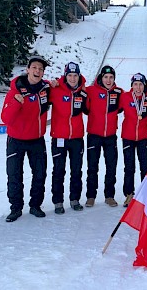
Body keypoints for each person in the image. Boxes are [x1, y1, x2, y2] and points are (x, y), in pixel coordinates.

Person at [1, 55, 51, 222]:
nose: (37, 71)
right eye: (34, 67)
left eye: (41, 69)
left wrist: (57, 82)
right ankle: (16, 208)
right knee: (14, 174)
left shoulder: (45, 89)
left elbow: (60, 87)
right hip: (16, 140)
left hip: (37, 139)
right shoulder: (15, 91)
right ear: (28, 69)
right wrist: (16, 103)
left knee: (40, 173)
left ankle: (35, 205)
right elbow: (5, 119)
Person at [49, 62, 88, 214]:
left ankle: (75, 199)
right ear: (65, 76)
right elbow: (40, 86)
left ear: (79, 76)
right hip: (59, 137)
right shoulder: (56, 89)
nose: (73, 78)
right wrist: (50, 82)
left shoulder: (83, 92)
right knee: (58, 170)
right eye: (70, 75)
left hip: (77, 138)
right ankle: (58, 201)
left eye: (75, 75)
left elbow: (90, 108)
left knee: (76, 170)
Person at [85, 65, 124, 207]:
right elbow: (75, 86)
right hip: (94, 135)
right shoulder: (90, 90)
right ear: (101, 77)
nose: (108, 80)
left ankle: (109, 195)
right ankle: (91, 196)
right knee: (92, 167)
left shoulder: (119, 92)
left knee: (111, 166)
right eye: (106, 77)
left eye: (111, 77)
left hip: (110, 136)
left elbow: (141, 93)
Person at [119, 73, 147, 207]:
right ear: (131, 85)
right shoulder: (125, 97)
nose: (138, 87)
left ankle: (145, 194)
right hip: (128, 137)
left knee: (145, 167)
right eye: (135, 84)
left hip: (143, 137)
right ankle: (129, 194)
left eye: (140, 84)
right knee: (129, 166)